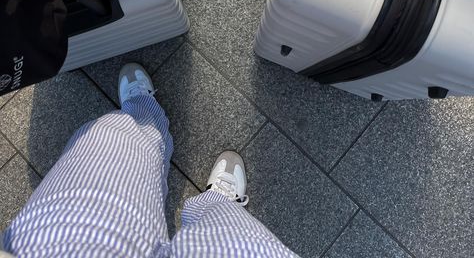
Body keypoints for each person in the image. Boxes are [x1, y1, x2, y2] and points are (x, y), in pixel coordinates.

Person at [2, 63, 298, 257]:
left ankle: (143, 115)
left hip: (43, 247)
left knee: (112, 144)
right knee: (237, 238)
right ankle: (216, 203)